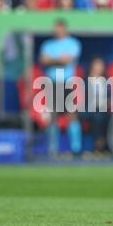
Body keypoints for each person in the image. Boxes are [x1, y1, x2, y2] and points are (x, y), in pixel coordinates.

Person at [39, 19, 82, 157]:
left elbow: (67, 60)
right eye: (56, 28)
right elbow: (44, 60)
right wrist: (58, 60)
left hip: (67, 83)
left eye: (60, 28)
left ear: (65, 29)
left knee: (71, 115)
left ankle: (76, 149)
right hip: (52, 82)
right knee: (52, 117)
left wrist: (52, 60)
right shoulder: (48, 44)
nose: (57, 31)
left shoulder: (72, 43)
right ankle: (52, 149)